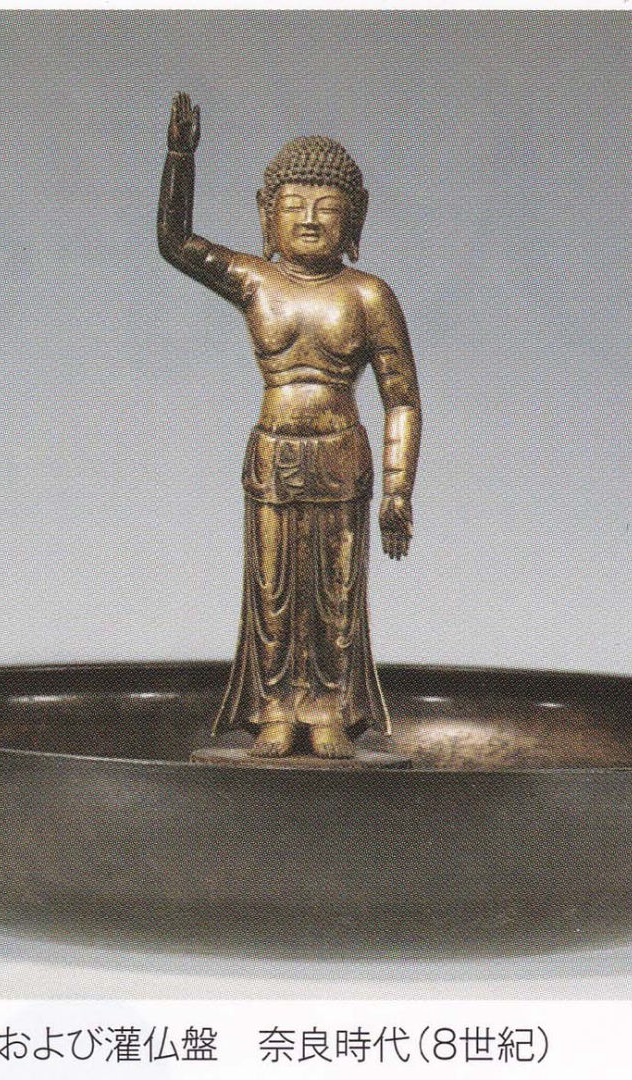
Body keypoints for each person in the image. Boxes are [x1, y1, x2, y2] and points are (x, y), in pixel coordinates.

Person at [157, 93, 420, 759]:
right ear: (265, 212)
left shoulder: (367, 295)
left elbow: (401, 399)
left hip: (341, 455)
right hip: (273, 452)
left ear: (353, 216)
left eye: (326, 207)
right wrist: (180, 158)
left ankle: (328, 709)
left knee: (335, 591)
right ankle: (275, 709)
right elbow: (175, 243)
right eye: (294, 203)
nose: (308, 218)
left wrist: (398, 490)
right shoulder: (255, 281)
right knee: (273, 591)